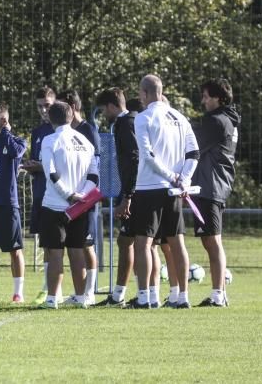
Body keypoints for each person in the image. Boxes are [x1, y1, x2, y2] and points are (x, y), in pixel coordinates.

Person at [129, 75, 199, 309]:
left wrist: (172, 177)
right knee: (177, 242)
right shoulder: (180, 117)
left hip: (150, 187)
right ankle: (182, 297)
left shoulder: (143, 118)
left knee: (143, 243)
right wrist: (184, 179)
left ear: (145, 93)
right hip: (173, 191)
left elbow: (147, 156)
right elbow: (194, 154)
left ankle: (144, 298)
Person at [37, 101, 98, 309]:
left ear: (50, 118)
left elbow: (51, 172)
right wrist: (82, 195)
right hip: (79, 207)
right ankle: (81, 298)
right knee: (77, 250)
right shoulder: (85, 141)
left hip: (55, 205)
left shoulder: (49, 140)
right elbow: (94, 175)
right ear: (71, 116)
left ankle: (52, 299)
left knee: (55, 252)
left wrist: (69, 194)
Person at [192, 78, 239, 307]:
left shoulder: (216, 122)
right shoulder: (227, 119)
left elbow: (194, 148)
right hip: (215, 184)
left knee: (213, 241)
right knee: (210, 241)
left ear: (219, 98)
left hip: (210, 185)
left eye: (206, 96)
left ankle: (218, 295)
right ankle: (219, 293)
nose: (203, 101)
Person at [95, 88, 140, 306]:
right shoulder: (130, 122)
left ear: (112, 106)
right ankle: (126, 294)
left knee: (136, 242)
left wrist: (128, 195)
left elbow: (133, 158)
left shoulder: (126, 124)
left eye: (104, 110)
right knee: (130, 241)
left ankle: (137, 294)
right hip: (134, 190)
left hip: (135, 192)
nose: (104, 115)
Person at [58, 90, 100, 305]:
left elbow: (96, 165)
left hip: (86, 198)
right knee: (74, 246)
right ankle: (80, 292)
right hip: (68, 198)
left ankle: (89, 293)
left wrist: (86, 194)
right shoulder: (65, 133)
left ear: (72, 107)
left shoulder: (88, 131)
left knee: (87, 244)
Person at [0, 102, 27, 303]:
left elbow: (17, 153)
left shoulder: (15, 141)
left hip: (8, 203)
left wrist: (6, 133)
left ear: (4, 120)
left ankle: (18, 292)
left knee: (14, 249)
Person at [20, 86, 56, 305]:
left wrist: (43, 167)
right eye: (40, 106)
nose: (44, 110)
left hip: (60, 195)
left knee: (69, 245)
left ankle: (80, 291)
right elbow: (37, 161)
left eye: (48, 106)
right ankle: (46, 287)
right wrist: (31, 165)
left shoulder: (62, 130)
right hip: (41, 192)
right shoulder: (38, 132)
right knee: (46, 243)